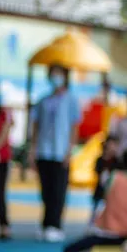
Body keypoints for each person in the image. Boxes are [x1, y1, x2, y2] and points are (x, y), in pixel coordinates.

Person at [28, 64, 81, 241]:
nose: (55, 77)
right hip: (44, 151)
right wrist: (33, 149)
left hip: (61, 152)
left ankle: (55, 224)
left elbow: (74, 127)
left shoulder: (71, 100)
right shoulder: (43, 100)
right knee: (46, 190)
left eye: (59, 74)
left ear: (65, 77)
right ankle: (45, 224)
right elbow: (36, 126)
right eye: (53, 74)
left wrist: (69, 150)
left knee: (59, 190)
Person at [92, 135, 120, 217]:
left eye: (115, 145)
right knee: (96, 212)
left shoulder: (116, 161)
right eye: (111, 144)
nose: (113, 147)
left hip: (110, 193)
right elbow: (97, 171)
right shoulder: (100, 159)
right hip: (99, 192)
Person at [0, 95, 12, 240]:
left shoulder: (5, 113)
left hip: (2, 158)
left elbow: (5, 132)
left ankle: (4, 224)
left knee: (0, 192)